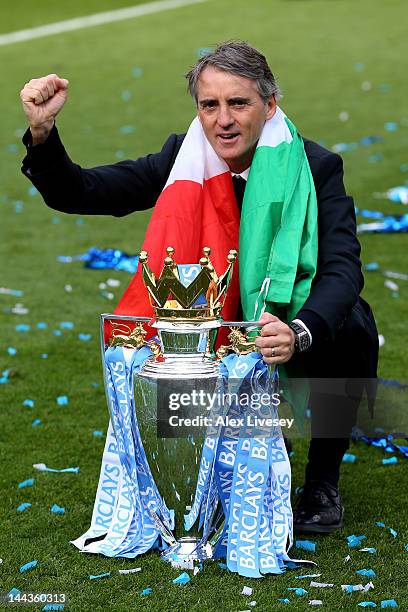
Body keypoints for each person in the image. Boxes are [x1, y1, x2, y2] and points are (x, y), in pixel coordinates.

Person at [20, 41, 378, 534]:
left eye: (239, 103)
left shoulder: (315, 167)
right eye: (210, 105)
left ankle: (321, 480)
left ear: (270, 105)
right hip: (216, 330)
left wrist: (300, 330)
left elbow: (342, 270)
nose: (223, 119)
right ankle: (235, 448)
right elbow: (81, 191)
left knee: (354, 321)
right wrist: (42, 133)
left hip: (284, 323)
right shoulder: (183, 158)